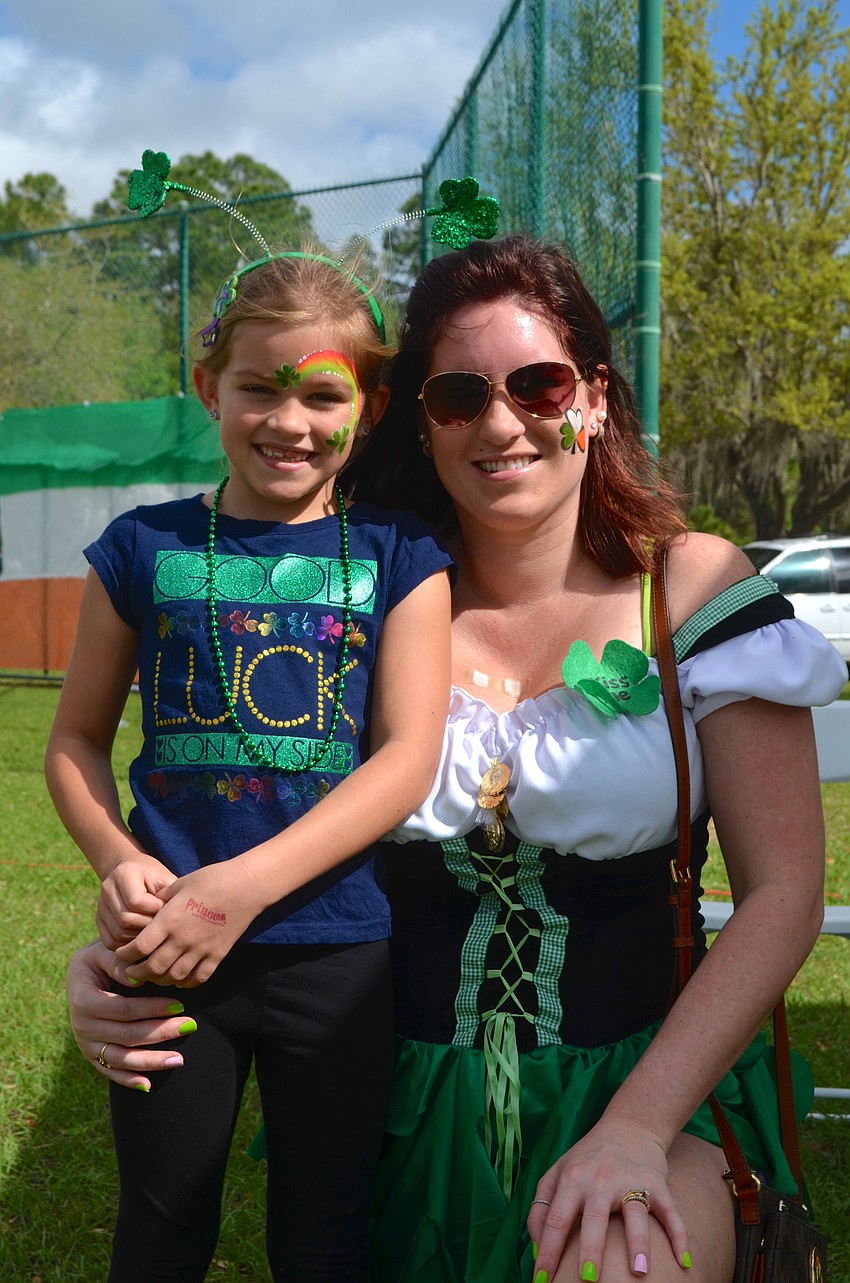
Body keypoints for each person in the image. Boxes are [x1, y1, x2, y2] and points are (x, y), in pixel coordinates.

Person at [64, 235, 847, 1283]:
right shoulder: (375, 598)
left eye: (538, 383)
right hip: (393, 1099)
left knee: (618, 1262)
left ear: (596, 399)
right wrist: (127, 951)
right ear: (418, 422)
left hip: (643, 1082)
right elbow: (234, 793)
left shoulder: (692, 586)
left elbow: (786, 891)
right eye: (458, 394)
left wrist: (635, 1126)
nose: (500, 420)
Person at [46, 248, 452, 1283]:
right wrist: (113, 856)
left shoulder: (402, 552)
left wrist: (243, 887)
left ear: (368, 401)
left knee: (324, 1233)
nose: (290, 421)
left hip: (338, 955)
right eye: (258, 388)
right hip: (169, 952)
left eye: (322, 393)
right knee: (163, 1220)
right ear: (206, 389)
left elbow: (406, 757)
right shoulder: (139, 546)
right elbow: (76, 740)